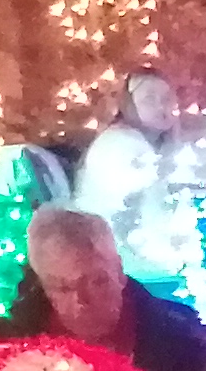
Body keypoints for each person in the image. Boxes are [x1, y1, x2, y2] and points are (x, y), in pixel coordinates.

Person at [0, 206, 206, 371]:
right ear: (43, 286)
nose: (81, 301)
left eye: (96, 281)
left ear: (119, 272)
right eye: (62, 288)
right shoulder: (7, 354)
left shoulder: (188, 344)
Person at [70, 69, 199, 300]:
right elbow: (147, 204)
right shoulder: (119, 143)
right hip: (122, 259)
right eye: (150, 98)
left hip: (134, 249)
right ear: (129, 105)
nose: (161, 105)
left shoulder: (150, 144)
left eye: (167, 98)